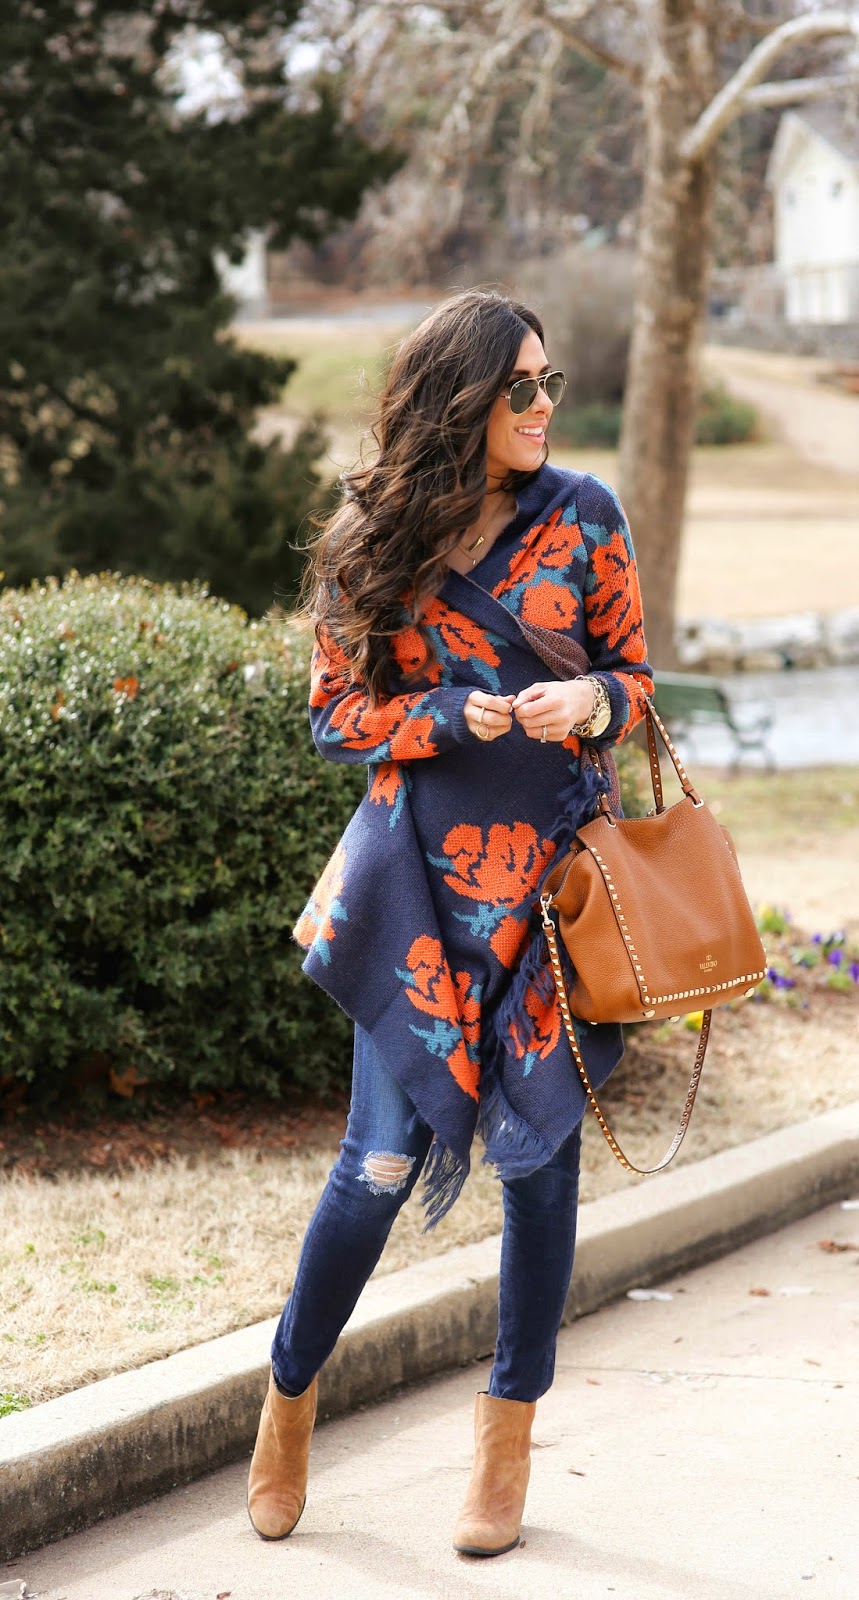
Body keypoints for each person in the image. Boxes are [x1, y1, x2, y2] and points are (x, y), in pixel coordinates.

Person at [247, 289, 652, 1556]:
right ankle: (288, 1400)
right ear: (458, 401)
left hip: (551, 891)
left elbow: (635, 681)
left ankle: (505, 1441)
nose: (542, 404)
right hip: (414, 894)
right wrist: (438, 718)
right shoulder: (374, 535)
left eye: (548, 381)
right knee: (373, 1165)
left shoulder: (584, 515)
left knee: (540, 1164)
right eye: (518, 386)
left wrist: (588, 701)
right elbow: (334, 718)